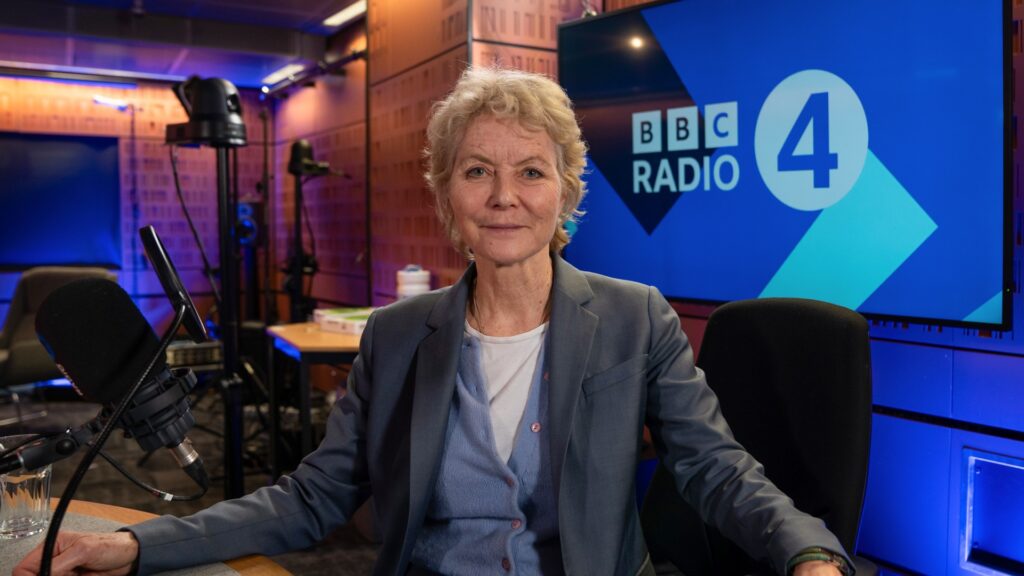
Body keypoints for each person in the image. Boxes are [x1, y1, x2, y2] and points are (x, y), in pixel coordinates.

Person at [16, 67, 853, 576]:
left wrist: (806, 551)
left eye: (531, 172)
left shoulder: (637, 318)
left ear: (564, 191)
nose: (503, 197)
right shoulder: (395, 334)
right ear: (447, 193)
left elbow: (717, 470)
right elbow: (313, 498)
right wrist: (139, 545)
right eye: (476, 171)